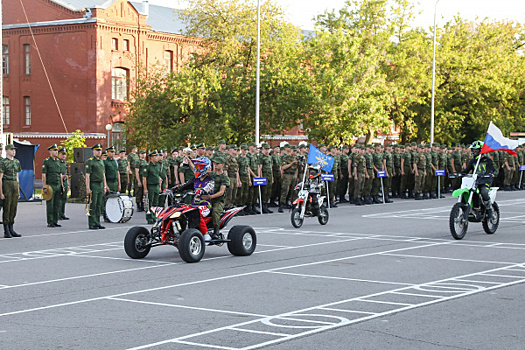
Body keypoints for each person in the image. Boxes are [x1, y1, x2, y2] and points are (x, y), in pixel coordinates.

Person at [172, 157, 226, 241]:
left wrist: (203, 191)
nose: (197, 169)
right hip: (195, 204)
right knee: (181, 212)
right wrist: (173, 189)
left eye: (199, 167)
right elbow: (184, 186)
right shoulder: (195, 179)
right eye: (197, 166)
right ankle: (180, 232)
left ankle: (207, 234)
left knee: (197, 213)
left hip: (205, 204)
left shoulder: (210, 179)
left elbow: (210, 187)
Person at [460, 140, 496, 218]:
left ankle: (489, 209)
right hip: (475, 181)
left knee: (484, 192)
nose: (474, 151)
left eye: (476, 150)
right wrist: (460, 173)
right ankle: (472, 208)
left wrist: (490, 173)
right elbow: (467, 170)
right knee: (469, 191)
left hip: (485, 181)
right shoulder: (473, 161)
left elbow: (493, 169)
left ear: (481, 150)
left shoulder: (487, 160)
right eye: (473, 150)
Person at [0, 144, 22, 238]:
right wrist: (1, 192)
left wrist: (18, 190)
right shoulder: (3, 162)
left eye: (14, 150)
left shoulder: (17, 162)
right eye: (12, 149)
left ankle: (11, 227)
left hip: (14, 184)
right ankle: (6, 230)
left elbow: (17, 176)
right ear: (7, 151)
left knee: (14, 207)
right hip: (7, 184)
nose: (14, 151)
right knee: (7, 207)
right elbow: (0, 178)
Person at [85, 143, 109, 229]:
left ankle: (97, 222)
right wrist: (88, 187)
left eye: (100, 150)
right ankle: (92, 223)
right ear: (93, 151)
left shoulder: (101, 161)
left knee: (99, 204)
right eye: (97, 150)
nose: (99, 152)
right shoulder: (90, 161)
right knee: (93, 204)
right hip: (94, 184)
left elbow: (103, 174)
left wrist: (105, 186)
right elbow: (87, 175)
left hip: (100, 184)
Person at [42, 144, 63, 228]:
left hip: (58, 185)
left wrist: (62, 185)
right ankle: (50, 221)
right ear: (50, 151)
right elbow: (44, 174)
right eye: (55, 150)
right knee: (50, 204)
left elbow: (60, 174)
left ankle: (55, 221)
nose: (56, 152)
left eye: (57, 150)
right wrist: (44, 186)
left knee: (57, 204)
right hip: (50, 185)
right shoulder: (46, 161)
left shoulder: (58, 161)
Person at [143, 150, 162, 224]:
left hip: (156, 185)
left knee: (155, 202)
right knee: (149, 202)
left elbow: (159, 176)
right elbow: (144, 178)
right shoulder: (147, 166)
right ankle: (149, 217)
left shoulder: (158, 165)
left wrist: (160, 186)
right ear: (152, 157)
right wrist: (145, 188)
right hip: (150, 186)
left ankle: (154, 216)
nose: (157, 157)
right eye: (156, 156)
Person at [58, 147, 70, 220]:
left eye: (65, 154)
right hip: (59, 182)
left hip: (65, 181)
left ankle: (62, 213)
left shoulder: (65, 163)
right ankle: (58, 214)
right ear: (59, 154)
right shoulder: (57, 162)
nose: (64, 156)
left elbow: (67, 174)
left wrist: (68, 184)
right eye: (62, 154)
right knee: (59, 199)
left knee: (64, 198)